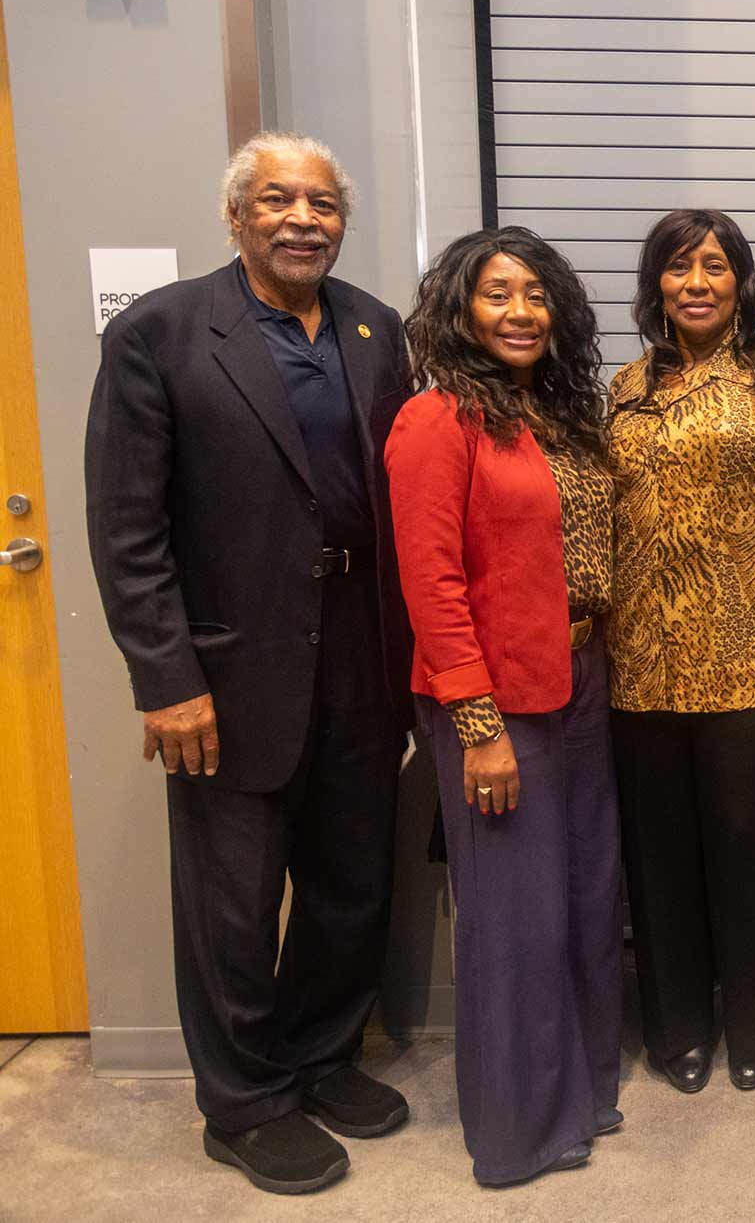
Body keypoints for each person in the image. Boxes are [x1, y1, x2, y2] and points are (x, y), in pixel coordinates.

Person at [83, 132, 413, 1194]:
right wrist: (166, 678)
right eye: (277, 199)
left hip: (362, 653)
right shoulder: (161, 333)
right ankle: (244, 1103)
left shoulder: (376, 328)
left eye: (322, 203)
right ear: (236, 216)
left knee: (349, 884)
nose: (302, 219)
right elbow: (127, 528)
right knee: (231, 904)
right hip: (228, 671)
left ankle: (321, 1057)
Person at [385, 227, 623, 1185]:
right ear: (460, 309)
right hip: (494, 701)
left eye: (535, 293)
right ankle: (518, 1133)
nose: (520, 311)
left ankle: (583, 1093)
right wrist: (478, 727)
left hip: (581, 679)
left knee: (585, 896)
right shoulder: (435, 419)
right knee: (514, 914)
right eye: (497, 292)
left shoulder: (557, 414)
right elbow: (431, 583)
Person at [607, 208, 755, 1095]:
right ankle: (678, 1028)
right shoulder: (626, 385)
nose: (696, 282)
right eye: (678, 266)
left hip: (749, 660)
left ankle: (749, 1021)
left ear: (741, 281)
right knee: (658, 858)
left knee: (747, 852)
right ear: (656, 283)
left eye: (714, 265)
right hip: (640, 665)